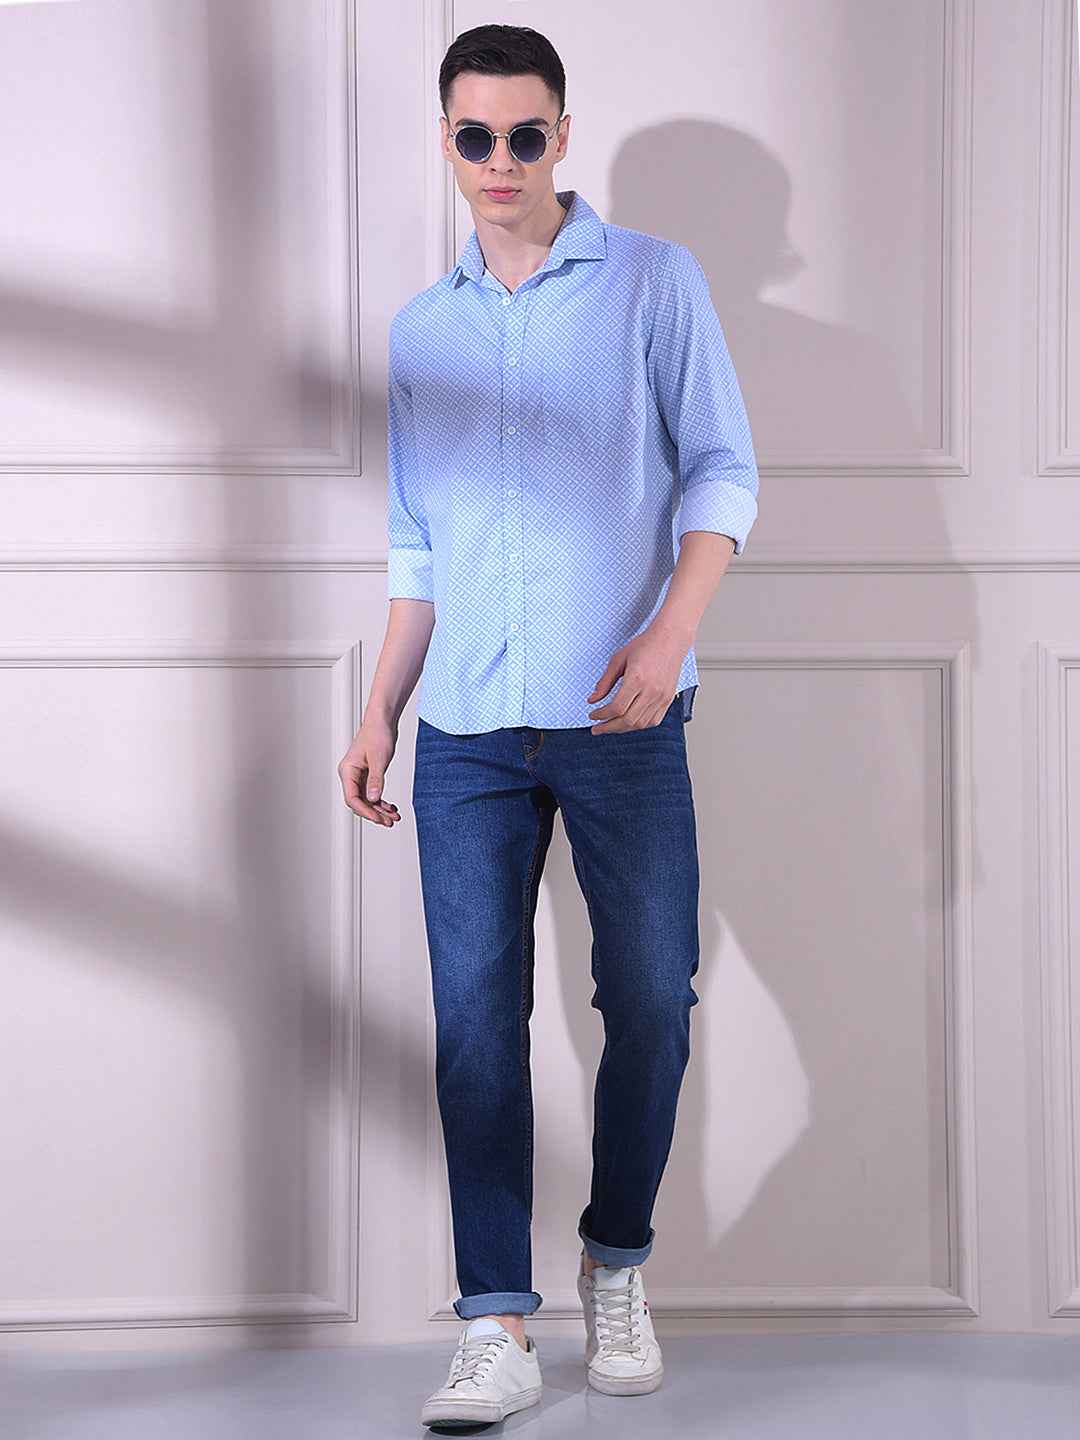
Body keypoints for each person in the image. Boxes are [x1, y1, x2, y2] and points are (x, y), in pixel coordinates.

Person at [337, 22, 759, 1429]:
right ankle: (496, 1323)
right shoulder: (422, 329)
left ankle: (616, 1260)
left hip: (620, 714)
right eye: (477, 136)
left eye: (527, 134)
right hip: (465, 730)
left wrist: (670, 635)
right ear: (448, 144)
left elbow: (722, 469)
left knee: (651, 997)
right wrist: (379, 710)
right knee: (473, 1022)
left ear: (562, 136)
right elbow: (418, 548)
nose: (503, 160)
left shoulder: (653, 283)